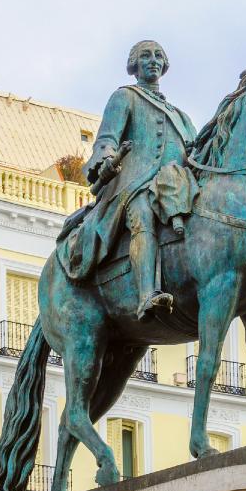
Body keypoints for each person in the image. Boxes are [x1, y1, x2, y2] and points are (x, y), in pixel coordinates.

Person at [66, 40, 199, 320]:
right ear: (134, 64)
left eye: (158, 56)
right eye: (146, 56)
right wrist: (106, 162)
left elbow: (195, 150)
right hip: (137, 182)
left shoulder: (181, 116)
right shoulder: (125, 97)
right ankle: (146, 295)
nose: (153, 60)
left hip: (177, 183)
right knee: (142, 215)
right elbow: (106, 139)